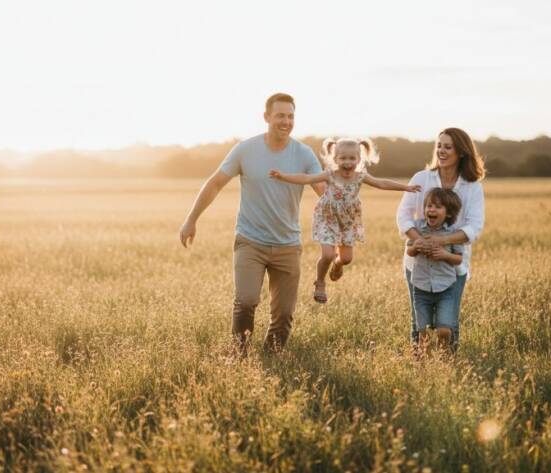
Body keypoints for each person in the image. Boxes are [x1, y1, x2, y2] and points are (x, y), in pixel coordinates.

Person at [179, 93, 323, 356]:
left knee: (284, 316)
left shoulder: (303, 154)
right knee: (245, 302)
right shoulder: (245, 150)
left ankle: (270, 360)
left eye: (290, 116)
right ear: (266, 117)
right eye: (280, 115)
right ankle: (240, 354)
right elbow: (215, 183)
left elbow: (323, 191)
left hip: (288, 245)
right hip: (250, 241)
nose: (286, 121)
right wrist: (191, 219)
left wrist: (343, 223)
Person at [269, 138, 421, 303]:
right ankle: (320, 282)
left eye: (351, 158)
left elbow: (381, 183)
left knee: (346, 258)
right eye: (343, 158)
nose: (347, 162)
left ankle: (337, 264)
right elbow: (306, 178)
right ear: (335, 159)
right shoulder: (329, 175)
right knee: (327, 254)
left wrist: (405, 187)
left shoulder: (360, 176)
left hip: (348, 222)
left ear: (358, 159)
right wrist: (283, 176)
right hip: (327, 219)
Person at [396, 128, 486, 350]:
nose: (441, 151)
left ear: (461, 152)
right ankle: (421, 368)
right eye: (439, 146)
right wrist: (422, 241)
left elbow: (474, 226)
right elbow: (403, 216)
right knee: (420, 322)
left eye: (448, 147)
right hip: (418, 264)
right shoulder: (421, 178)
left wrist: (441, 242)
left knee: (448, 323)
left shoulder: (472, 186)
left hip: (454, 266)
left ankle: (448, 369)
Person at [406, 188, 464, 352]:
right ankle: (427, 364)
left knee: (444, 329)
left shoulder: (453, 233)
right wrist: (416, 246)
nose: (431, 210)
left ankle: (444, 358)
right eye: (429, 206)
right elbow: (409, 251)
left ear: (448, 213)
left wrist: (445, 255)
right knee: (423, 332)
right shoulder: (417, 228)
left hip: (445, 288)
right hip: (421, 288)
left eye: (437, 207)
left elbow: (459, 258)